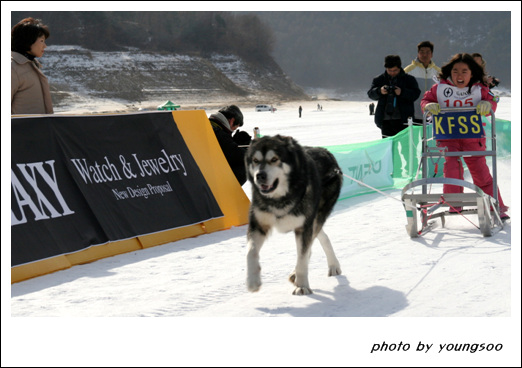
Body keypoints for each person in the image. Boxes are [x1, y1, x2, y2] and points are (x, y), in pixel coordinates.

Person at [421, 53, 509, 220]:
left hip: (472, 137)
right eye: (455, 71)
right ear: (449, 72)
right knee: (452, 166)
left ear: (472, 73)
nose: (459, 75)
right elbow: (425, 100)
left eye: (464, 71)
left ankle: (494, 204)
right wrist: (429, 105)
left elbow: (492, 102)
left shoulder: (479, 89)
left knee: (479, 170)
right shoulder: (439, 88)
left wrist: (488, 104)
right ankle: (454, 202)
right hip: (447, 136)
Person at [367, 55, 420, 138]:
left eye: (395, 70)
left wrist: (402, 92)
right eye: (389, 70)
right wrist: (379, 91)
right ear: (386, 68)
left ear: (400, 68)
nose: (392, 72)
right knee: (388, 148)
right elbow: (370, 94)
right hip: (385, 121)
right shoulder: (379, 79)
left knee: (405, 146)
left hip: (404, 120)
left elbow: (416, 94)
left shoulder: (409, 79)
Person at [11, 17, 53, 114]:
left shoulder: (31, 65)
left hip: (38, 128)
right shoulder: (12, 67)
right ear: (28, 41)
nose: (45, 46)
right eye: (41, 41)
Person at [208, 105, 251, 185]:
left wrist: (234, 143)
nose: (234, 130)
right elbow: (236, 155)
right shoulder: (217, 132)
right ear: (232, 121)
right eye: (235, 126)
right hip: (213, 180)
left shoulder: (209, 125)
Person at [404, 41, 441, 125]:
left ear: (431, 54)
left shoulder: (439, 72)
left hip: (433, 115)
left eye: (427, 52)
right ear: (418, 54)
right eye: (422, 52)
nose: (425, 55)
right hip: (413, 115)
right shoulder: (408, 71)